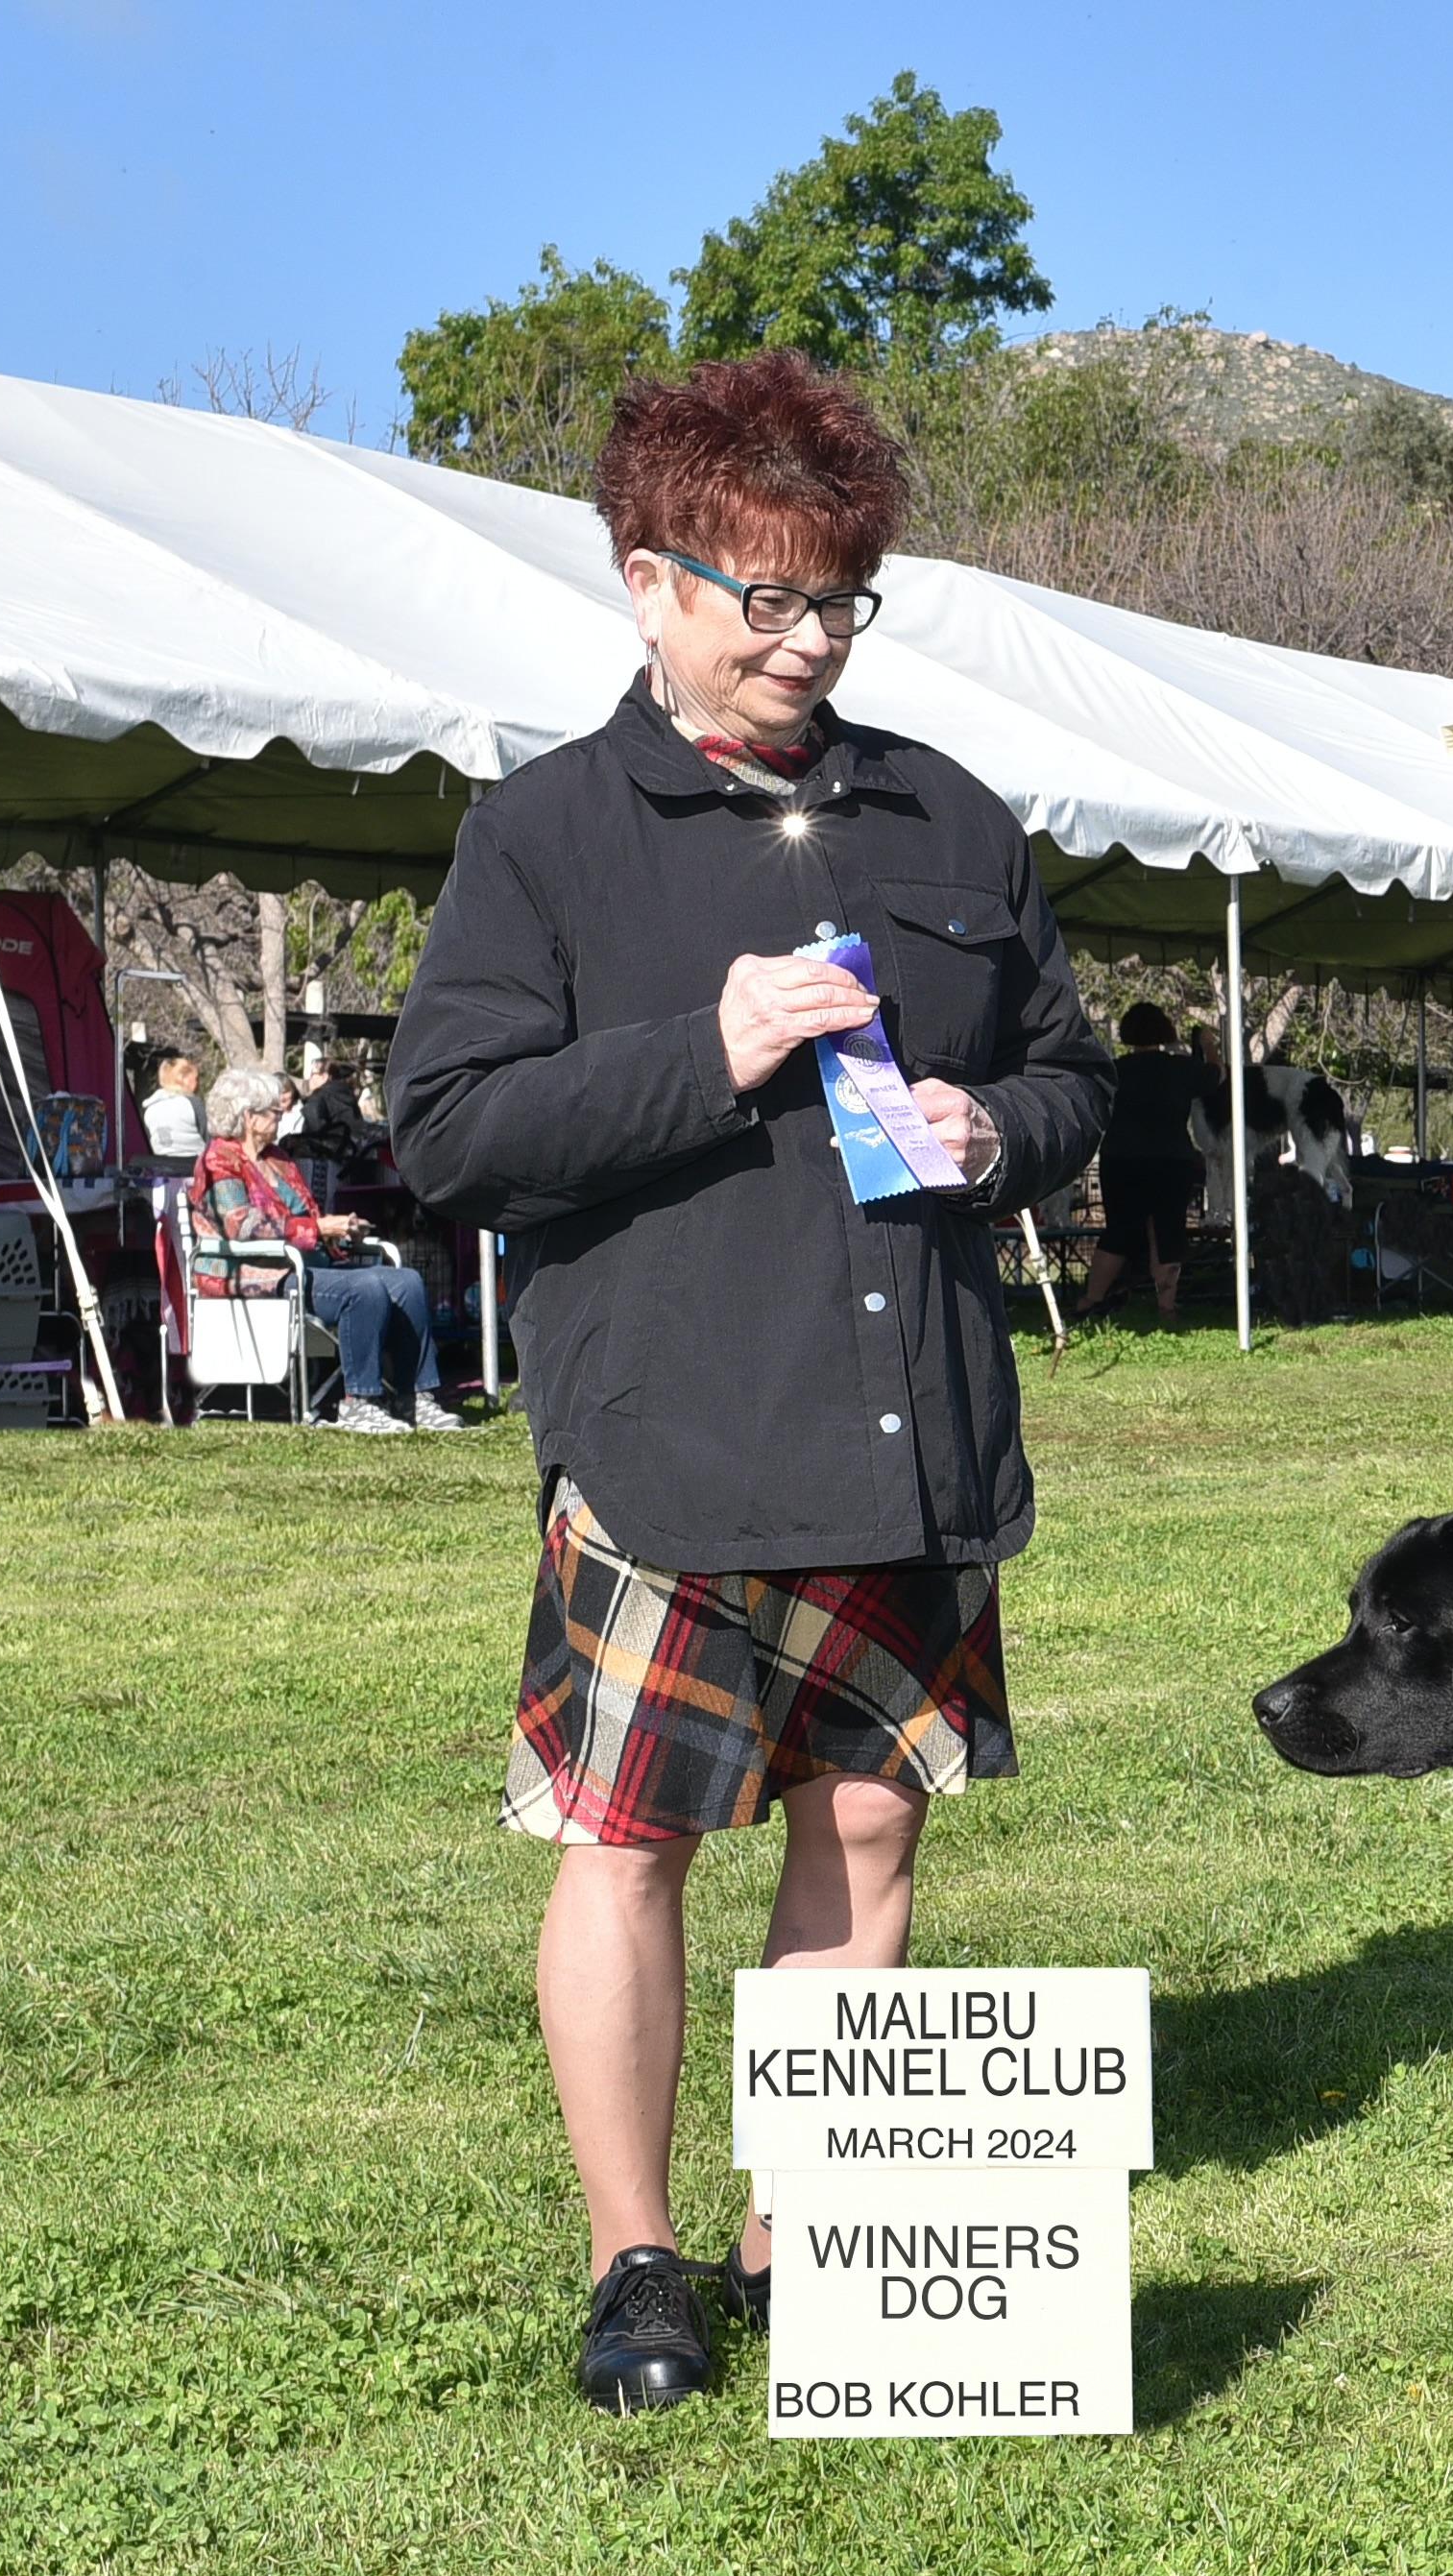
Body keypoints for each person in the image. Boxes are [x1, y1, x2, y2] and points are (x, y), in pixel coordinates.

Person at [387, 352, 1113, 2415]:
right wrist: (700, 1051)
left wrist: (1002, 1132)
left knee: (867, 1830)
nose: (806, 641)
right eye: (764, 598)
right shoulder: (543, 835)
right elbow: (450, 1132)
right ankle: (635, 2260)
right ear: (647, 580)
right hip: (671, 1447)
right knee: (626, 1845)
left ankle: (811, 2237)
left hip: (913, 1436)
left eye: (840, 599)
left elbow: (1075, 1073)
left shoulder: (951, 816)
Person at [192, 1064, 454, 1435]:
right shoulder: (219, 1160)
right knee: (363, 1289)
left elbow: (307, 1217)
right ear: (249, 1116)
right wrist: (317, 1229)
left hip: (305, 1265)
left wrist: (340, 1231)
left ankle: (414, 1397)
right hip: (255, 1272)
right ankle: (359, 1402)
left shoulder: (278, 1159)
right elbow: (241, 1226)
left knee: (406, 1281)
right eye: (275, 1111)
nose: (281, 1117)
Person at [1079, 1001, 1200, 1321]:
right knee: (1168, 1232)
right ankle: (1167, 1306)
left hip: (1121, 1159)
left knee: (1118, 1231)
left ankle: (1090, 1300)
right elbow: (1217, 1075)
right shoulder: (1181, 1068)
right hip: (1171, 1159)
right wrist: (1208, 1045)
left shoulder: (1114, 1071)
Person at [139, 1045, 206, 1162]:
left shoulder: (149, 1109)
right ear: (182, 1079)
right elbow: (209, 1140)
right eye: (195, 1078)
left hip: (162, 1166)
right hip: (195, 1164)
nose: (198, 1083)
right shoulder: (192, 1104)